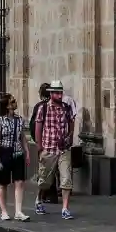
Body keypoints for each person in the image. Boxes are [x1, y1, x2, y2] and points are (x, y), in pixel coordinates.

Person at [34, 80, 76, 219]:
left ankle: (65, 208)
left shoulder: (66, 107)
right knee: (45, 180)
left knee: (66, 178)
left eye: (60, 92)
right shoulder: (43, 108)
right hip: (49, 148)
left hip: (64, 149)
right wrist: (39, 146)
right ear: (51, 94)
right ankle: (39, 199)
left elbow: (71, 122)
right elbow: (38, 127)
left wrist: (70, 136)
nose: (59, 95)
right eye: (56, 92)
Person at [0, 93, 30, 222]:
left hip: (18, 153)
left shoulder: (19, 119)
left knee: (19, 182)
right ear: (8, 106)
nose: (15, 102)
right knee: (3, 183)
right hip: (4, 153)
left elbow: (22, 137)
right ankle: (4, 211)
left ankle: (18, 211)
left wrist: (27, 152)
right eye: (13, 101)